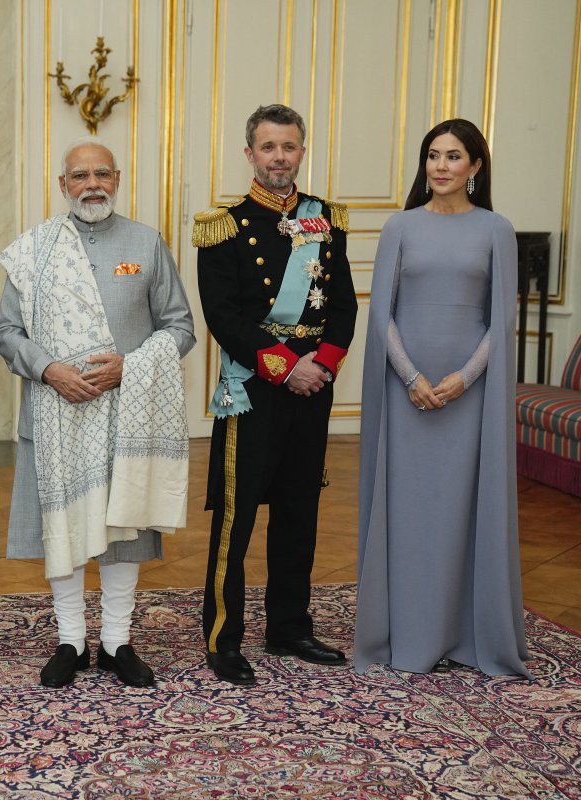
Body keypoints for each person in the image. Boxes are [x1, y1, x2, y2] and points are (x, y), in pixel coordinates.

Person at [0, 138, 195, 689]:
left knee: (121, 525)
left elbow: (180, 327)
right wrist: (48, 370)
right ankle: (70, 641)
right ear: (63, 185)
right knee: (61, 525)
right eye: (79, 176)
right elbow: (6, 333)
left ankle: (115, 643)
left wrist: (130, 367)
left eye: (101, 174)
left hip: (126, 416)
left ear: (118, 178)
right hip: (55, 413)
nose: (91, 185)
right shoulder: (32, 249)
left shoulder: (146, 243)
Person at [354, 119, 530, 677]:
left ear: (475, 167)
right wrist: (411, 378)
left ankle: (466, 633)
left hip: (468, 394)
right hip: (407, 393)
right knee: (408, 511)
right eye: (433, 156)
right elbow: (381, 313)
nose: (441, 166)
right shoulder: (399, 227)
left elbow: (502, 320)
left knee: (462, 510)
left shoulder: (497, 229)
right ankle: (404, 631)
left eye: (454, 157)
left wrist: (465, 378)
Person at [193, 104, 357, 685]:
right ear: (250, 154)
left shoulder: (326, 221)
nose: (279, 157)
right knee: (235, 520)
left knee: (299, 513)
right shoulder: (224, 226)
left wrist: (323, 367)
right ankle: (223, 636)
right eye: (268, 147)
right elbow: (225, 317)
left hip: (313, 389)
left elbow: (342, 308)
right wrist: (287, 368)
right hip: (257, 390)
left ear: (301, 152)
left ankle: (289, 627)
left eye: (289, 147)